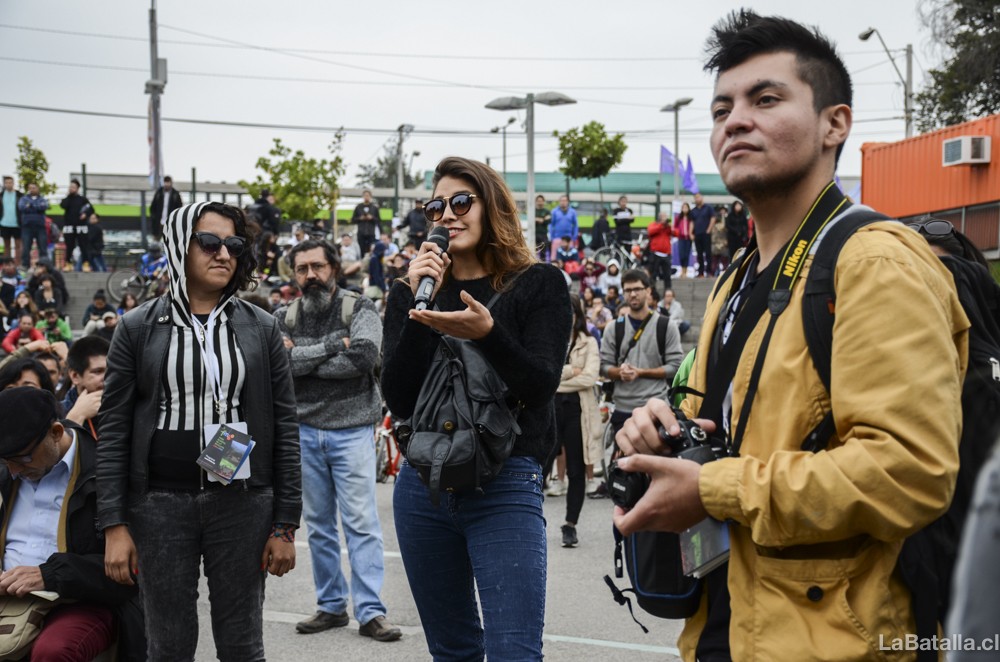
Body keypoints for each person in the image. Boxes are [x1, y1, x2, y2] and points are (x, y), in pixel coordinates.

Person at [612, 11, 969, 661]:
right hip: (727, 627)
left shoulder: (874, 262)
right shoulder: (735, 279)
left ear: (835, 123)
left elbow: (908, 473)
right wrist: (658, 431)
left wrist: (713, 489)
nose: (735, 121)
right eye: (721, 109)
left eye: (766, 99)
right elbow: (715, 428)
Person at [381, 156, 572, 660]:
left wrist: (488, 334)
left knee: (514, 652)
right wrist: (420, 306)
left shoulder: (539, 283)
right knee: (452, 652)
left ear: (492, 207)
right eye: (436, 207)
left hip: (505, 480)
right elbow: (398, 398)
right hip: (423, 486)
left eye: (462, 202)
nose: (447, 214)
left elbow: (541, 386)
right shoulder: (409, 292)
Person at [97, 201, 301, 661]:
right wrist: (114, 524)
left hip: (242, 503)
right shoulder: (136, 327)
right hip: (158, 506)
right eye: (208, 242)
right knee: (168, 646)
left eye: (233, 244)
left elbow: (285, 427)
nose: (223, 254)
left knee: (242, 645)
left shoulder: (261, 327)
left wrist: (286, 525)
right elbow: (114, 430)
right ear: (178, 246)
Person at [274, 239, 401, 642]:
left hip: (352, 431)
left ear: (334, 267)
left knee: (361, 524)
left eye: (317, 266)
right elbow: (281, 365)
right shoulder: (283, 315)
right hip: (303, 432)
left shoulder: (360, 307)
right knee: (319, 526)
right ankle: (330, 606)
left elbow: (363, 357)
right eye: (302, 269)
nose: (310, 275)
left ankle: (370, 611)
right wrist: (333, 346)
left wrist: (304, 358)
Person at [0, 387, 146, 661]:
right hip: (9, 595)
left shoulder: (105, 474)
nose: (15, 470)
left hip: (80, 599)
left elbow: (131, 573)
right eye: (6, 461)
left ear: (56, 433)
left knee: (54, 650)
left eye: (23, 459)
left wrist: (50, 575)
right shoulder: (8, 472)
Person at [599, 269, 683, 439]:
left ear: (648, 290)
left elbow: (675, 366)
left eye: (637, 289)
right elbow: (603, 366)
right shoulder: (613, 328)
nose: (632, 294)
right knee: (624, 456)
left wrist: (641, 372)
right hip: (622, 408)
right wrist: (619, 372)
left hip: (656, 406)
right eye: (628, 290)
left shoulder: (666, 326)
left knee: (657, 454)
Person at [551, 294, 602, 548]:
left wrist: (556, 381)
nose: (566, 316)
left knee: (576, 469)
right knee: (540, 464)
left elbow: (590, 378)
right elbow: (542, 372)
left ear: (577, 315)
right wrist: (571, 370)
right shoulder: (549, 338)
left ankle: (570, 525)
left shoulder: (589, 342)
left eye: (570, 311)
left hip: (577, 411)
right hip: (550, 408)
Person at [61, 335, 108, 436]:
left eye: (111, 371)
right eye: (98, 371)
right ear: (75, 376)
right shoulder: (55, 414)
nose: (107, 378)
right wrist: (76, 417)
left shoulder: (126, 408)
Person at [60, 178, 92, 271]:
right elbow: (63, 205)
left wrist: (85, 214)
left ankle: (85, 264)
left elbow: (91, 209)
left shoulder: (83, 199)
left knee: (83, 246)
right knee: (69, 246)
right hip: (69, 226)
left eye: (73, 187)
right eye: (70, 187)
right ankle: (68, 264)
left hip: (81, 227)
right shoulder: (67, 199)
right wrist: (68, 195)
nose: (71, 188)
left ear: (77, 188)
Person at [17, 183, 49, 269]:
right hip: (27, 226)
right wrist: (37, 207)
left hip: (40, 227)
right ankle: (25, 265)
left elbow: (44, 207)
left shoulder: (43, 199)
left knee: (42, 247)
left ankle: (43, 265)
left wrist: (30, 205)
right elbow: (21, 207)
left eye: (34, 187)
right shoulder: (23, 199)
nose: (32, 189)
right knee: (26, 247)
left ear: (38, 188)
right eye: (30, 188)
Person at [690, 192, 717, 277]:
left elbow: (713, 218)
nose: (697, 199)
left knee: (708, 253)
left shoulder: (708, 208)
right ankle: (700, 272)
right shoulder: (693, 210)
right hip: (697, 234)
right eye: (695, 198)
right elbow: (692, 222)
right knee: (699, 254)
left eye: (698, 197)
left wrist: (709, 229)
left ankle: (709, 272)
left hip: (706, 234)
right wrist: (690, 232)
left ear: (702, 197)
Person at [149, 175, 183, 240]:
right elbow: (152, 207)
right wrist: (154, 217)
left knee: (170, 241)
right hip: (158, 223)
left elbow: (179, 208)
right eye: (165, 183)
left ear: (171, 183)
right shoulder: (159, 193)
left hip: (170, 223)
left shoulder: (175, 194)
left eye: (168, 183)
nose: (166, 185)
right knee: (156, 241)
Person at [647, 211, 674, 289]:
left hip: (666, 254)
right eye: (663, 216)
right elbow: (650, 231)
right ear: (659, 217)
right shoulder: (653, 224)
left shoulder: (667, 227)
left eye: (666, 216)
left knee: (667, 275)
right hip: (655, 254)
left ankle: (668, 292)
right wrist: (661, 225)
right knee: (653, 275)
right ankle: (652, 292)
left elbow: (676, 233)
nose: (665, 218)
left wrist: (668, 226)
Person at [1, 176, 24, 264]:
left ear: (13, 183)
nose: (8, 184)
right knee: (7, 246)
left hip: (17, 224)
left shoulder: (19, 195)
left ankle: (17, 264)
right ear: (4, 184)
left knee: (18, 245)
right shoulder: (1, 195)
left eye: (10, 182)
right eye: (6, 183)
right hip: (4, 223)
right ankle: (7, 264)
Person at [352, 190, 381, 259]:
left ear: (370, 197)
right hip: (361, 233)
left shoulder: (374, 208)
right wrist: (360, 218)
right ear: (363, 196)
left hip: (371, 233)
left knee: (371, 250)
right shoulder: (358, 207)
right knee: (361, 250)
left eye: (368, 195)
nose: (366, 197)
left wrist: (372, 218)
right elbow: (353, 220)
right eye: (365, 195)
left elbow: (378, 220)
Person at [549, 195, 578, 263]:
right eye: (561, 200)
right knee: (554, 259)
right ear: (559, 201)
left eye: (565, 200)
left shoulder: (572, 212)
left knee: (570, 258)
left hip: (569, 239)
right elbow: (551, 225)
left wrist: (574, 237)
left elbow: (575, 225)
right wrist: (552, 237)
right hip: (557, 238)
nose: (563, 202)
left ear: (568, 202)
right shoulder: (554, 211)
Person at [674, 202, 695, 278]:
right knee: (681, 255)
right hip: (681, 238)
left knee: (686, 255)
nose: (685, 209)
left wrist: (692, 234)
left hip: (688, 239)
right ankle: (682, 271)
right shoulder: (678, 218)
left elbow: (693, 227)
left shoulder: (691, 218)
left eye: (686, 207)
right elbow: (675, 227)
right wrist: (678, 233)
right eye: (683, 207)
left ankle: (685, 272)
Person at [534, 194, 552, 259]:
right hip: (534, 234)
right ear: (536, 201)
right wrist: (543, 218)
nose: (540, 202)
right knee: (534, 252)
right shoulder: (533, 211)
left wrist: (539, 219)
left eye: (541, 201)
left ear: (543, 201)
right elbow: (531, 220)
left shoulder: (546, 211)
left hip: (543, 234)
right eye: (538, 201)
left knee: (543, 252)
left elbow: (549, 220)